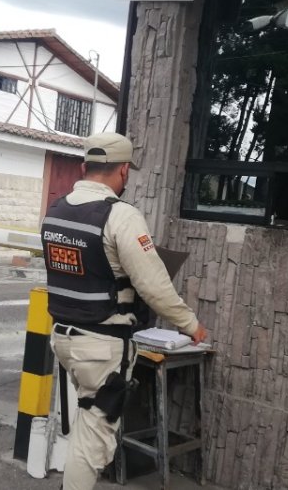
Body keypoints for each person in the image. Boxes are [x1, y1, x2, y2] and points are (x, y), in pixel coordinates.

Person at [42, 132, 208, 490]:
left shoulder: (55, 211)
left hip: (64, 339)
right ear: (123, 171)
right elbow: (153, 285)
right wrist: (190, 324)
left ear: (84, 167)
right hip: (101, 346)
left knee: (87, 421)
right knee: (93, 439)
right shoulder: (121, 216)